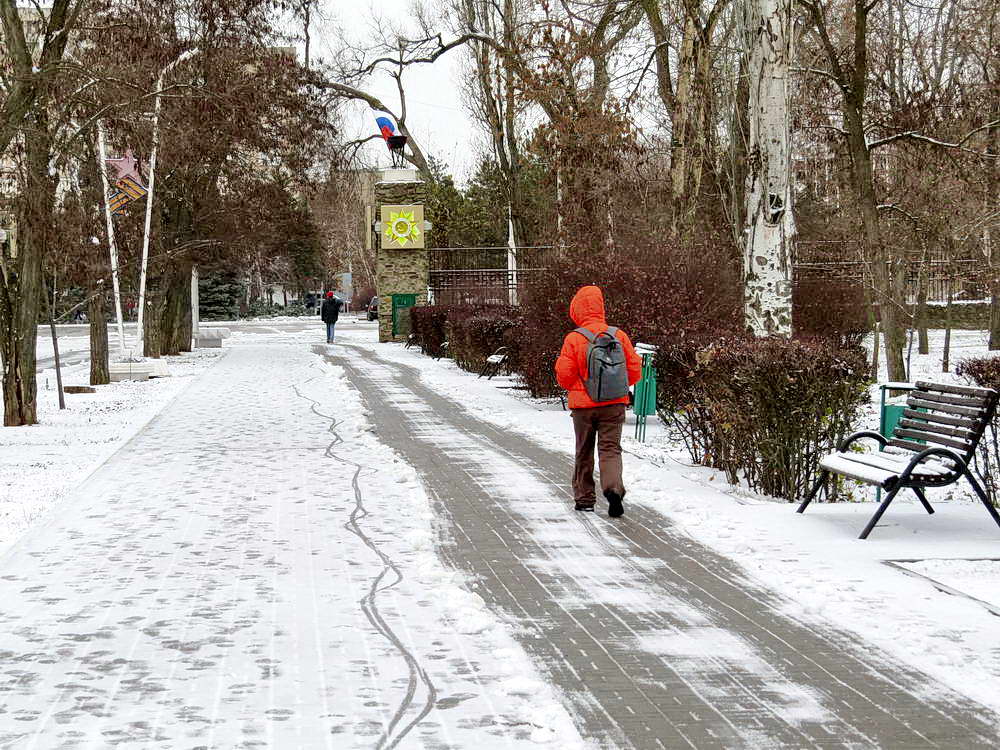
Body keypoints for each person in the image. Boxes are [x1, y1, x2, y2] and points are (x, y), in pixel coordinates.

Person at [555, 285, 641, 517]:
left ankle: (584, 499)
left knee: (584, 450)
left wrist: (579, 386)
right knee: (610, 449)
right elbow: (634, 370)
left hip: (583, 408)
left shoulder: (574, 338)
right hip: (613, 404)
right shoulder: (618, 335)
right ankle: (613, 489)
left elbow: (564, 375)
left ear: (577, 309)